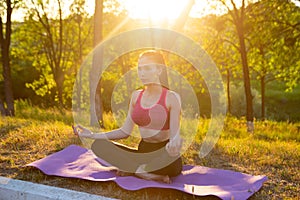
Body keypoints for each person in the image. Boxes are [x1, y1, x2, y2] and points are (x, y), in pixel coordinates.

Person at [73, 50, 183, 183]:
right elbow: (125, 131)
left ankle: (134, 169)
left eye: (147, 68)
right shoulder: (136, 96)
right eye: (140, 69)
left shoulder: (171, 98)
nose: (142, 73)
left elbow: (174, 135)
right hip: (143, 152)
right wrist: (92, 135)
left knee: (172, 162)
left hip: (164, 155)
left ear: (159, 70)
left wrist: (175, 144)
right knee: (99, 145)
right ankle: (144, 173)